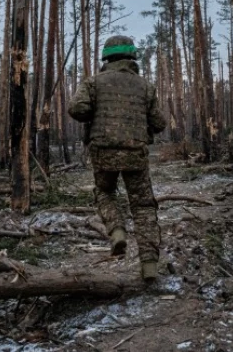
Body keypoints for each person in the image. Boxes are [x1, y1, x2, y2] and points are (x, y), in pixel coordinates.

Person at [68, 35, 167, 281]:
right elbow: (159, 123)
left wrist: (97, 110)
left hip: (103, 152)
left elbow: (76, 109)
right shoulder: (145, 86)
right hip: (136, 153)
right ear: (132, 56)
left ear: (106, 57)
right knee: (143, 206)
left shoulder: (93, 82)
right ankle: (149, 265)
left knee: (104, 192)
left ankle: (117, 230)